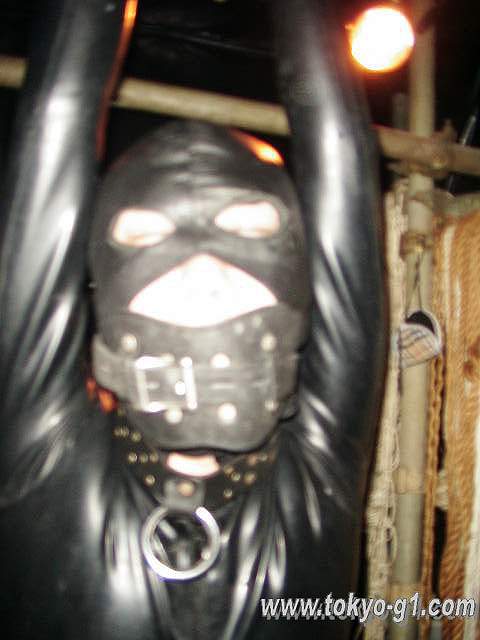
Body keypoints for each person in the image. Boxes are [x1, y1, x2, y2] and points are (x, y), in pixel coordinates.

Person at [0, 1, 385, 639]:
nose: (205, 273)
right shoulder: (44, 453)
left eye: (248, 231)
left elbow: (341, 148)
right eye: (148, 239)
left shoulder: (320, 468)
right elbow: (56, 114)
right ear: (107, 292)